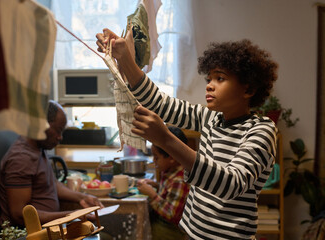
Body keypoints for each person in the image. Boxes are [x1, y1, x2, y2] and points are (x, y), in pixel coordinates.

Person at [96, 29, 279, 239]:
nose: (209, 85)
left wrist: (166, 139)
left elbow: (230, 185)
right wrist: (125, 59)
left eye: (220, 78)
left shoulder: (262, 130)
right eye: (209, 78)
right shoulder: (210, 118)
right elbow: (159, 103)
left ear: (248, 90)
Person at [0, 100, 103, 227]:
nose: (60, 137)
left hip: (49, 230)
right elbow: (19, 214)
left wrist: (82, 197)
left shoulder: (37, 149)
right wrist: (71, 216)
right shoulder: (21, 158)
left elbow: (52, 184)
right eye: (58, 131)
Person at [137, 126, 190, 240]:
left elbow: (172, 214)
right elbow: (170, 194)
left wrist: (152, 194)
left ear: (171, 158)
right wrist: (156, 185)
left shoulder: (180, 180)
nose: (153, 161)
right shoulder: (170, 171)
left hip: (171, 230)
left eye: (156, 157)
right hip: (163, 223)